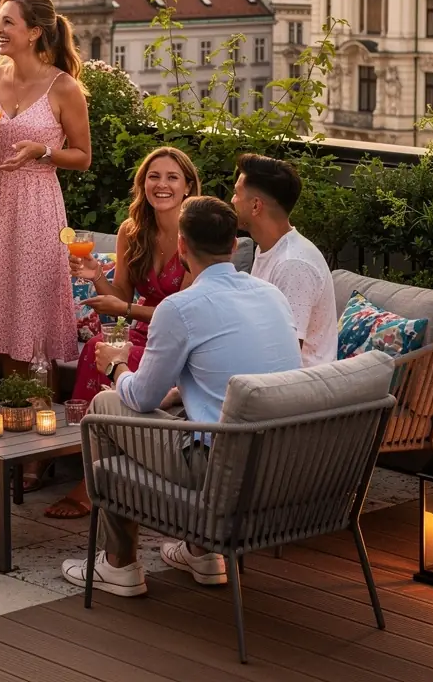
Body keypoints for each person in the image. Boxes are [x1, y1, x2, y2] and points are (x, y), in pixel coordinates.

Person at [60, 196, 302, 596]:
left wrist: (117, 364)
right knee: (168, 408)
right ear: (234, 247)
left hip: (218, 467)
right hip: (281, 462)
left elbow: (138, 397)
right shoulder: (271, 296)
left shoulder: (180, 307)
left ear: (183, 248)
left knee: (106, 407)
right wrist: (176, 394)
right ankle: (202, 553)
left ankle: (118, 563)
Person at [0, 0, 92, 491]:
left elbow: (83, 155)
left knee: (34, 319)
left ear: (34, 32)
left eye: (6, 22)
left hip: (37, 205)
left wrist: (43, 151)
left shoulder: (64, 88)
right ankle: (13, 429)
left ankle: (40, 447)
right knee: (5, 313)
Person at [45, 146, 200, 519]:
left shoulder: (195, 235)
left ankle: (90, 479)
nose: (161, 185)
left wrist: (126, 311)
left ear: (188, 187)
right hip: (144, 331)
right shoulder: (132, 231)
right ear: (143, 183)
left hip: (181, 340)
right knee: (97, 346)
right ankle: (86, 455)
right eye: (154, 176)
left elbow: (188, 312)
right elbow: (121, 296)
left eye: (172, 177)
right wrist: (97, 275)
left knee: (116, 354)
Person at [231, 153, 338, 367]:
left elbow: (284, 356)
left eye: (236, 194)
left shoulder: (293, 264)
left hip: (299, 388)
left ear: (255, 206)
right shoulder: (269, 248)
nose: (232, 200)